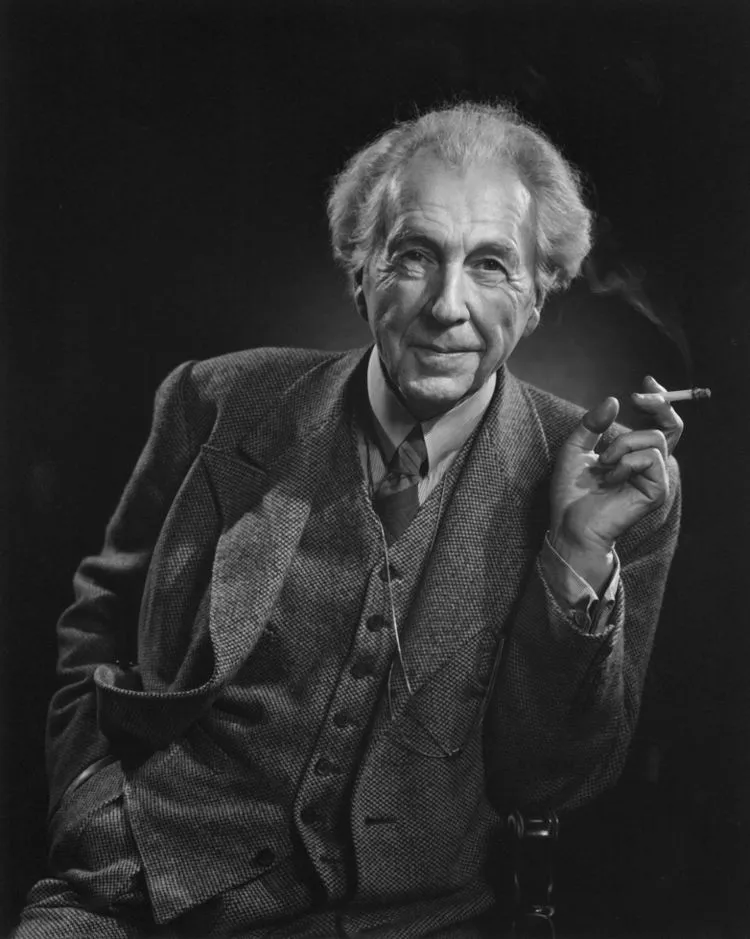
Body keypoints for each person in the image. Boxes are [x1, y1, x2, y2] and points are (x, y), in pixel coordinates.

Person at [15, 101, 682, 938]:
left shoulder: (606, 488)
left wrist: (576, 551)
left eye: (490, 266)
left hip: (410, 923)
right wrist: (86, 797)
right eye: (414, 256)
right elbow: (100, 619)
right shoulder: (213, 402)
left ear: (539, 296)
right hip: (133, 893)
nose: (447, 306)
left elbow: (553, 780)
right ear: (360, 272)